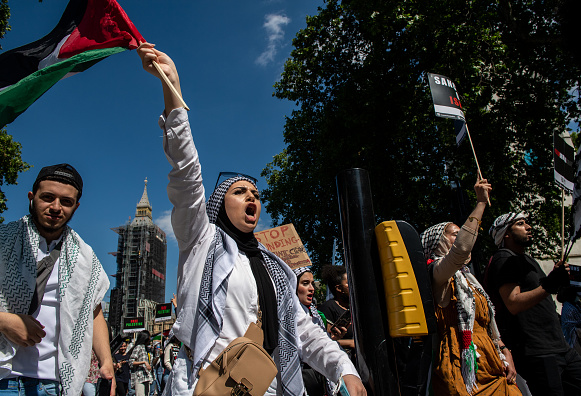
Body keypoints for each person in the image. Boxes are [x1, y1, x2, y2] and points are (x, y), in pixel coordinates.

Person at [137, 42, 366, 396]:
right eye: (240, 192)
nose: (252, 198)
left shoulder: (277, 269)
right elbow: (187, 175)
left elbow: (303, 332)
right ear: (217, 204)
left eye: (256, 195)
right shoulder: (202, 241)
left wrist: (343, 369)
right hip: (206, 385)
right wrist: (173, 90)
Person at [0, 163, 114, 396]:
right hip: (5, 379)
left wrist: (106, 361)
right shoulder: (3, 240)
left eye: (66, 201)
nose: (55, 207)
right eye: (48, 197)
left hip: (54, 384)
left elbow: (93, 311)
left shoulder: (86, 257)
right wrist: (5, 322)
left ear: (76, 206)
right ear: (32, 197)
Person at [420, 178, 520, 395]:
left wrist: (504, 351)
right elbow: (462, 249)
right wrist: (481, 203)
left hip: (494, 363)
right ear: (438, 243)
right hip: (462, 368)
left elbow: (486, 323)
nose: (461, 237)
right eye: (454, 234)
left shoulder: (469, 281)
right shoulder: (438, 275)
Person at [485, 212, 581, 395]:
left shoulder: (526, 259)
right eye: (520, 223)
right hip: (538, 352)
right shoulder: (504, 259)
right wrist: (550, 285)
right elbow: (513, 303)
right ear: (506, 233)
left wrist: (555, 278)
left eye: (527, 222)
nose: (528, 227)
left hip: (560, 347)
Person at [293, 267, 347, 396]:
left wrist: (332, 337)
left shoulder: (318, 315)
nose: (312, 288)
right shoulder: (283, 317)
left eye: (312, 283)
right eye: (305, 283)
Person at [318, 266, 355, 358]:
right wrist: (350, 343)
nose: (353, 285)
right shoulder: (329, 307)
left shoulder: (352, 308)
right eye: (348, 282)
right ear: (339, 288)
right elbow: (324, 341)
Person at [130, 331, 153, 396]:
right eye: (149, 339)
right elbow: (131, 362)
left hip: (147, 376)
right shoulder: (138, 347)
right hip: (139, 376)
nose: (150, 340)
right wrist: (144, 362)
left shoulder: (148, 349)